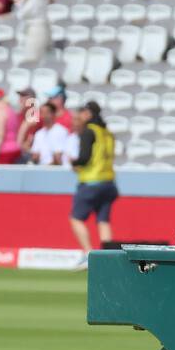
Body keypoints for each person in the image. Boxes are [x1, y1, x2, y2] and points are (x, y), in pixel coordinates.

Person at [69, 101, 118, 251]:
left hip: (91, 182)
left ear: (89, 114)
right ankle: (108, 258)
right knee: (103, 221)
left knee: (76, 219)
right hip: (109, 182)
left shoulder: (89, 131)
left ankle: (88, 254)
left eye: (83, 112)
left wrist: (74, 162)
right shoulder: (107, 133)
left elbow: (84, 157)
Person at [15, 0, 51, 64]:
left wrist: (19, 13)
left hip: (37, 30)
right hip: (31, 29)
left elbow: (26, 12)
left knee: (33, 60)